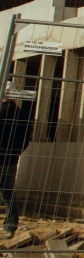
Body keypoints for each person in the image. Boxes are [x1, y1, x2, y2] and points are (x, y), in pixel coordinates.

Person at [0, 96, 35, 238]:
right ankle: (10, 227)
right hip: (11, 160)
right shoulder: (23, 114)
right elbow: (27, 139)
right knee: (8, 193)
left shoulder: (0, 111)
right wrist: (16, 153)